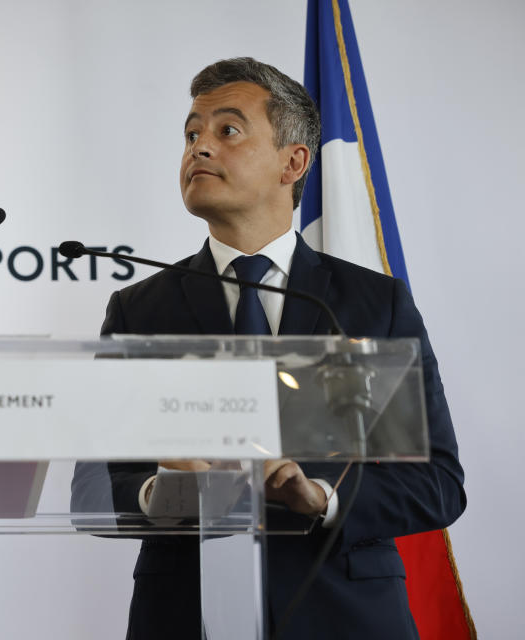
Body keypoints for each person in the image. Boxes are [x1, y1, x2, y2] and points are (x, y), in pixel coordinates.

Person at [72, 57, 465, 639]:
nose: (199, 147)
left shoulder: (372, 304)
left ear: (293, 161)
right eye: (191, 133)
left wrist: (323, 497)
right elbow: (92, 490)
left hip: (347, 614)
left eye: (227, 130)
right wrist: (166, 490)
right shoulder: (139, 308)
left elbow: (439, 481)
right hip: (186, 613)